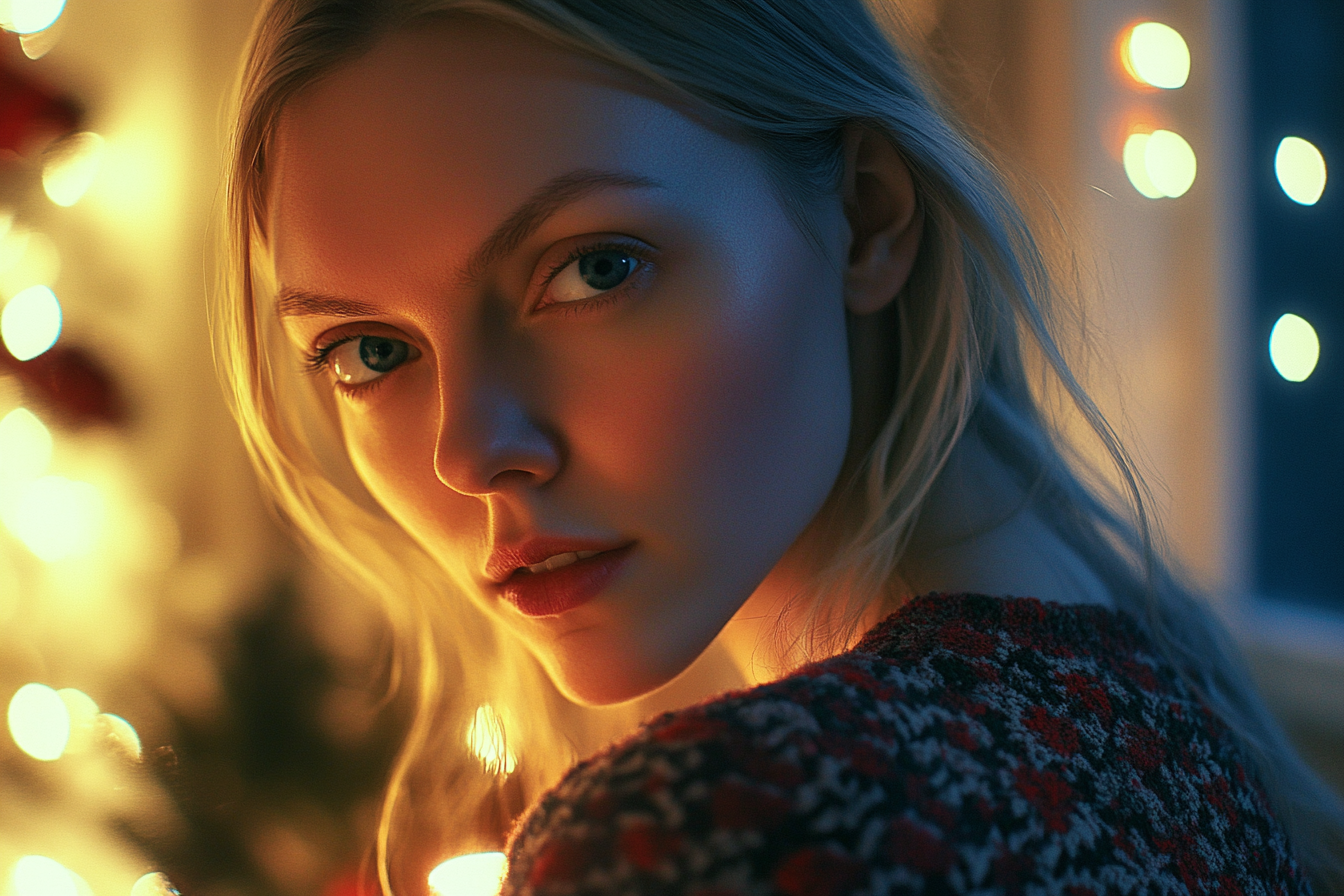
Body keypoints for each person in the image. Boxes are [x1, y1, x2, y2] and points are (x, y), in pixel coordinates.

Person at [215, 1, 1344, 893]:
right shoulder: (1153, 696)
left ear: (867, 213)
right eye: (367, 351)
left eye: (595, 267)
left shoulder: (721, 824)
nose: (471, 450)